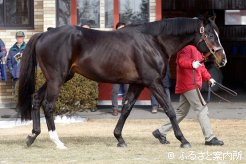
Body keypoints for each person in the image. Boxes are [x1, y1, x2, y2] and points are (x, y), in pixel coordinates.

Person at [152, 45, 224, 146]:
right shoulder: (186, 47)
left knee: (181, 112)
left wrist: (209, 78)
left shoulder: (196, 49)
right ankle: (210, 138)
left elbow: (201, 67)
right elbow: (181, 61)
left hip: (188, 84)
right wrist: (192, 63)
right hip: (190, 84)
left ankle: (161, 131)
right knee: (202, 109)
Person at [111, 22, 129, 116]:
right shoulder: (113, 41)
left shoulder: (129, 42)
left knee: (127, 90)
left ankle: (124, 108)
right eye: (120, 28)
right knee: (115, 90)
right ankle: (115, 108)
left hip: (126, 70)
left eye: (123, 28)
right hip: (115, 70)